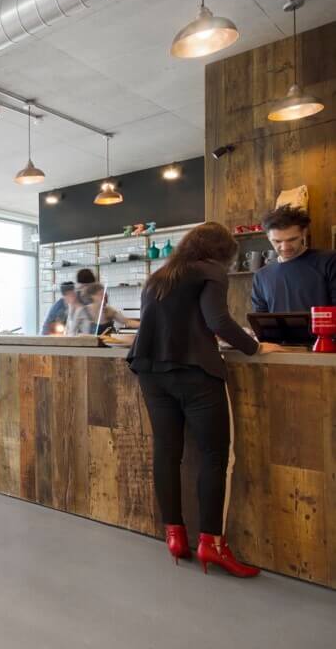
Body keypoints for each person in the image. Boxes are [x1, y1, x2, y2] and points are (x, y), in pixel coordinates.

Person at [126, 222, 283, 576]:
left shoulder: (160, 275)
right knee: (216, 457)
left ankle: (175, 535)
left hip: (152, 374)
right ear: (222, 252)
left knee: (167, 453)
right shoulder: (210, 270)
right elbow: (219, 321)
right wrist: (255, 347)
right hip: (195, 374)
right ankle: (212, 544)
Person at [252, 205, 336, 312]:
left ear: (304, 233)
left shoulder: (329, 261)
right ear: (268, 238)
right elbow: (261, 320)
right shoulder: (261, 276)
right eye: (277, 241)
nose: (285, 247)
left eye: (292, 239)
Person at [67, 283, 138, 335]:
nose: (104, 296)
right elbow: (71, 332)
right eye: (101, 294)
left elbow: (127, 322)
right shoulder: (82, 311)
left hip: (108, 350)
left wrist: (145, 325)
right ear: (92, 296)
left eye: (105, 294)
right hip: (88, 350)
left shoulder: (109, 310)